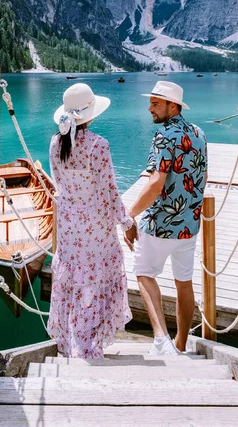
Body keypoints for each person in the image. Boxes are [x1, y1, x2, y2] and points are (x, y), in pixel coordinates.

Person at [47, 83, 134, 358]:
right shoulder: (99, 145)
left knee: (73, 280)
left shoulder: (55, 143)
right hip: (96, 229)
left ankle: (74, 344)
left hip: (69, 227)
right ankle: (86, 347)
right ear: (91, 114)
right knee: (94, 283)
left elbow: (59, 183)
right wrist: (128, 223)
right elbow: (109, 192)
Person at [125, 81, 207, 355]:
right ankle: (181, 344)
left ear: (173, 106)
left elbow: (155, 183)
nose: (150, 108)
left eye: (156, 103)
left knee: (144, 274)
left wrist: (129, 215)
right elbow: (200, 177)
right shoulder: (199, 133)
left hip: (161, 224)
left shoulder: (164, 136)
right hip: (189, 226)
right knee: (184, 282)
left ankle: (161, 340)